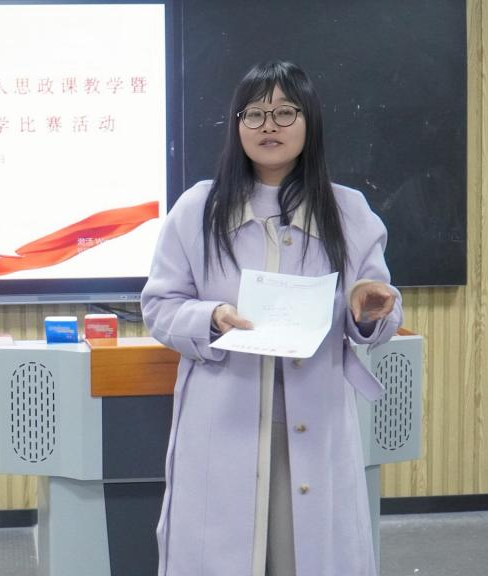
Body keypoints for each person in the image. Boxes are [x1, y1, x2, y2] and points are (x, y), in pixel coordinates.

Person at [141, 61, 402, 576]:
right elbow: (159, 305)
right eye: (255, 113)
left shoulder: (348, 212)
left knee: (307, 556)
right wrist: (211, 317)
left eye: (285, 113)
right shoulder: (197, 209)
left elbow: (376, 306)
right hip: (225, 421)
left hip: (315, 421)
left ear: (309, 122)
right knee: (221, 556)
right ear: (237, 125)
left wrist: (371, 310)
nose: (269, 126)